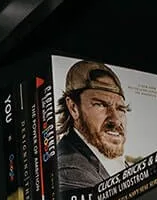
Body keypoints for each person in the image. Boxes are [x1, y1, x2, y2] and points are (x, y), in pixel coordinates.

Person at [56, 60, 130, 191]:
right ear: (73, 108)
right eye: (100, 105)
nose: (116, 120)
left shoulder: (111, 161)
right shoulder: (70, 172)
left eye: (120, 109)